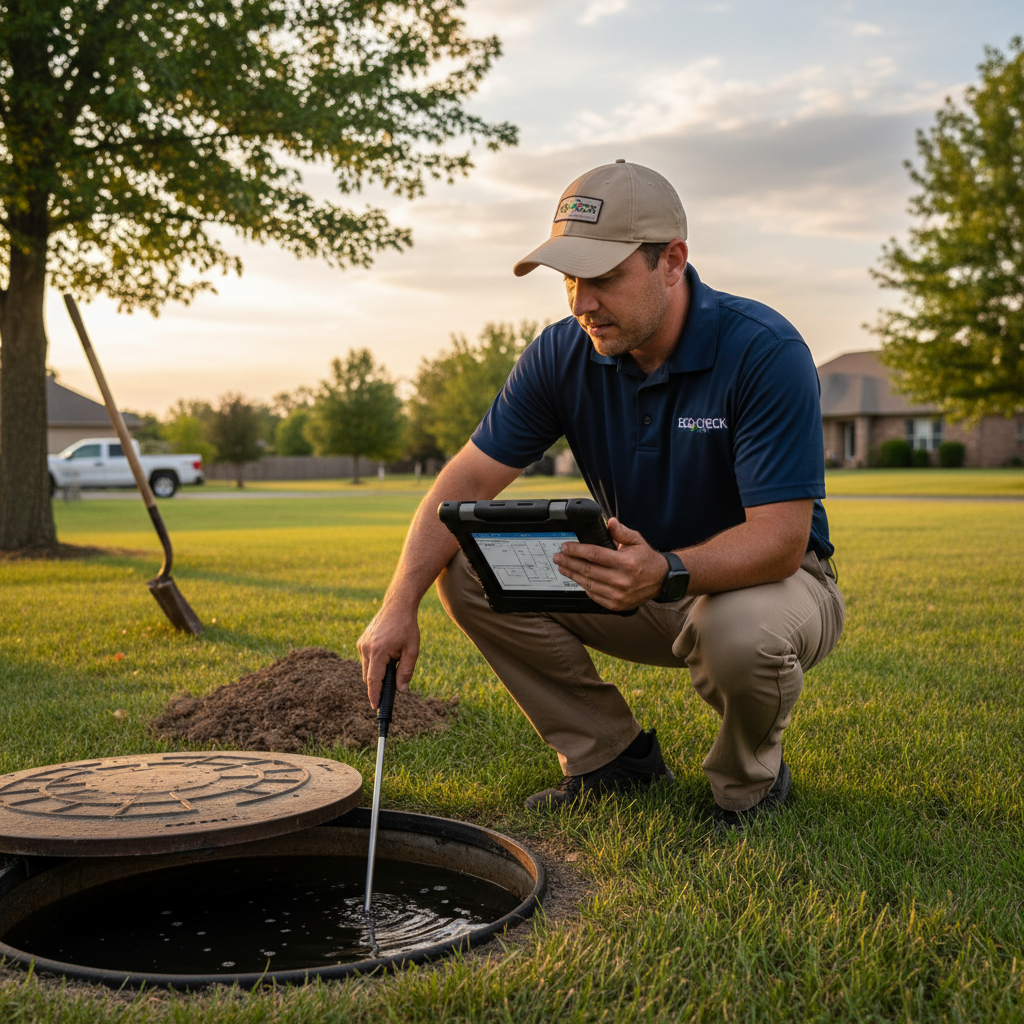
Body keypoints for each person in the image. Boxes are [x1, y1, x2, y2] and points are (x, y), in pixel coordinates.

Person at [358, 160, 845, 828]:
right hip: (629, 579)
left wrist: (670, 569)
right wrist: (396, 604)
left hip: (765, 585)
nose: (582, 300)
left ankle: (749, 784)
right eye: (570, 279)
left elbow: (782, 541)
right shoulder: (563, 354)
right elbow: (465, 482)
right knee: (469, 565)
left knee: (736, 632)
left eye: (605, 276)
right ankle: (610, 758)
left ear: (672, 262)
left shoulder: (762, 350)